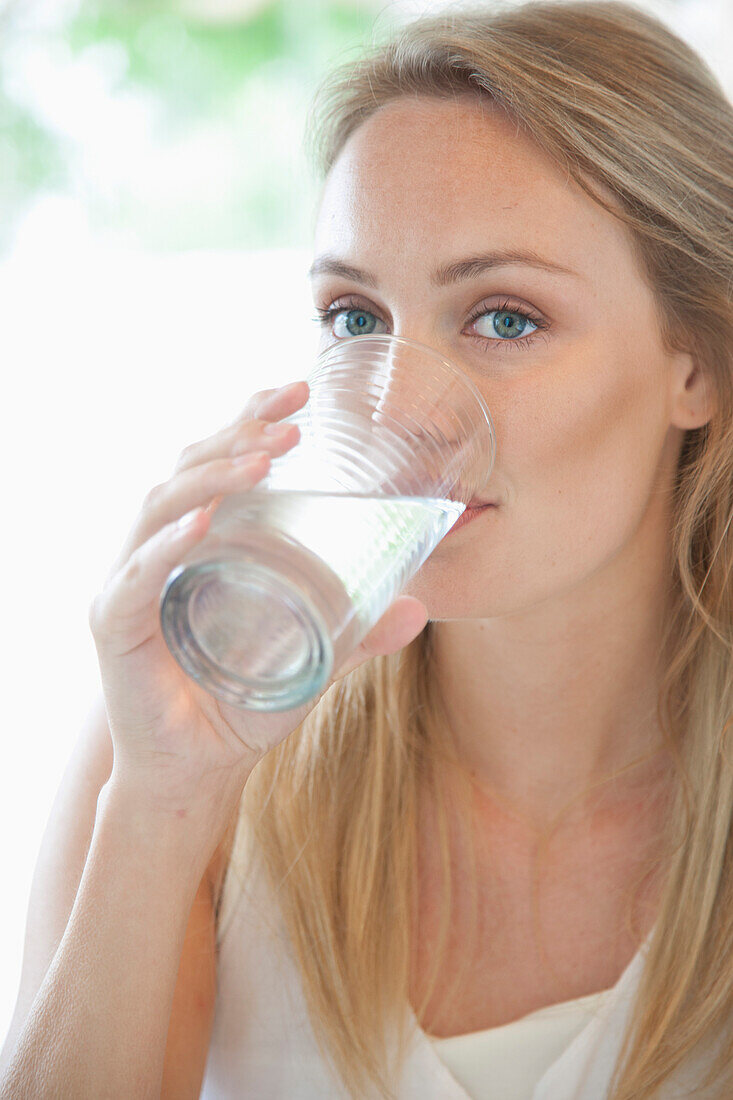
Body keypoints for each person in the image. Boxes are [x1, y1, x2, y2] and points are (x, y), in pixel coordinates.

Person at [2, 0, 732, 1097]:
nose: (400, 406)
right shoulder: (185, 739)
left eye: (504, 317)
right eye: (354, 318)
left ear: (698, 363)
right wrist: (160, 810)